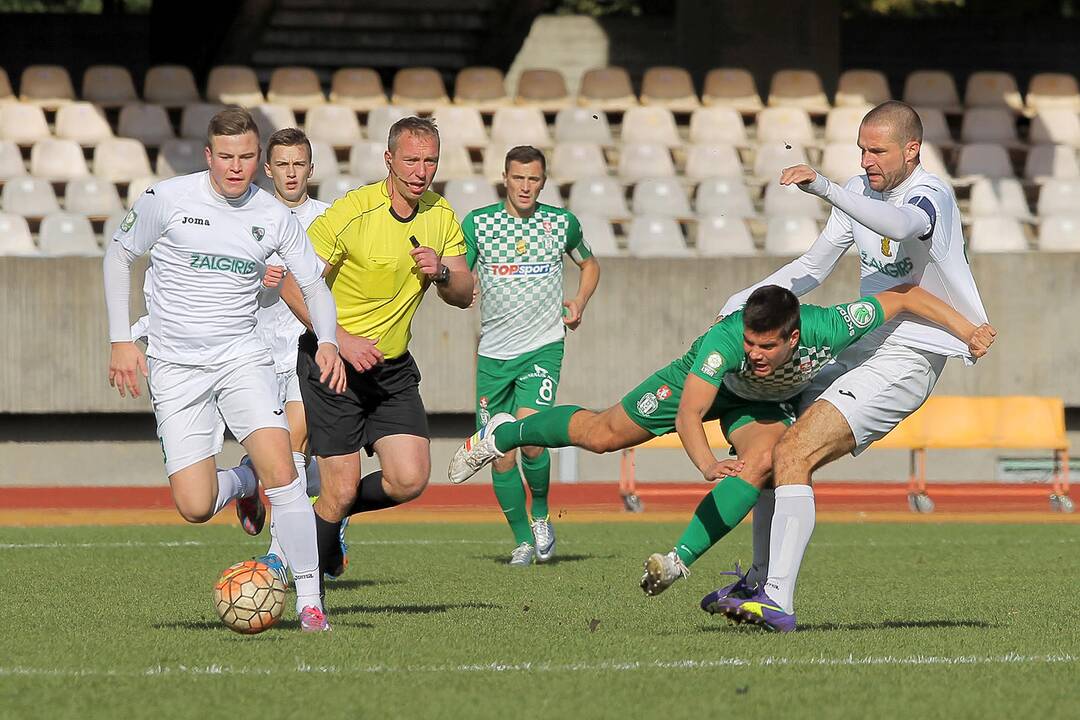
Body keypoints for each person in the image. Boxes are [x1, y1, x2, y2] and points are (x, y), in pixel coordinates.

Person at [448, 284, 994, 595]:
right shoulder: (722, 343)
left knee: (763, 463)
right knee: (601, 434)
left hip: (758, 406)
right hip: (698, 387)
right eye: (750, 343)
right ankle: (505, 432)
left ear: (795, 336)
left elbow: (903, 297)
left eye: (766, 346)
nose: (755, 353)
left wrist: (967, 331)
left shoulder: (831, 324)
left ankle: (678, 561)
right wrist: (707, 463)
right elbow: (690, 414)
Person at [711, 101, 992, 632]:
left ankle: (777, 600)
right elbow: (813, 268)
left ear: (912, 150)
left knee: (795, 450)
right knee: (769, 440)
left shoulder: (930, 196)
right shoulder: (858, 191)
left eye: (877, 150)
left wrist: (825, 189)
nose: (866, 161)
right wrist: (746, 299)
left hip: (910, 356)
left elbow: (900, 222)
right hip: (862, 342)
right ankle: (758, 579)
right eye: (861, 149)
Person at [104, 107, 343, 632]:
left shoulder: (274, 216)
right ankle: (244, 479)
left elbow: (314, 285)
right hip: (174, 365)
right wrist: (123, 339)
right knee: (194, 504)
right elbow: (118, 256)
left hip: (242, 358)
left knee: (287, 474)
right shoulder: (167, 199)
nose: (236, 168)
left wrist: (326, 341)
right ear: (209, 156)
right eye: (226, 157)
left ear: (259, 161)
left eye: (246, 157)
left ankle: (309, 601)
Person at [276, 116, 473, 583]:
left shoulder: (440, 216)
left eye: (430, 161)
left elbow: (465, 292)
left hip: (392, 369)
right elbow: (290, 282)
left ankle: (319, 520)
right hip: (333, 363)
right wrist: (338, 340)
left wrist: (443, 271)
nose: (421, 171)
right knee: (339, 489)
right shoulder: (352, 212)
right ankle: (308, 589)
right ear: (389, 160)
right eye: (411, 160)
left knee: (409, 479)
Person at [462, 145, 600, 566]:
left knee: (531, 442)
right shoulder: (479, 224)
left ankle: (541, 516)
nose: (525, 186)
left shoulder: (561, 223)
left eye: (533, 179)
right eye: (518, 178)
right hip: (492, 355)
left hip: (542, 346)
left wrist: (579, 301)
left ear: (543, 181)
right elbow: (462, 278)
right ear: (505, 177)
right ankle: (522, 539)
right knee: (498, 454)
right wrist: (460, 288)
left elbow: (590, 265)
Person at [249, 127, 342, 582]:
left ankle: (279, 553)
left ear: (311, 168)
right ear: (268, 169)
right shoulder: (249, 217)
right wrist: (255, 279)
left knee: (295, 449)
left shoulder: (330, 220)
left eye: (298, 164)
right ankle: (254, 483)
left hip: (307, 351)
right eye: (281, 164)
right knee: (280, 455)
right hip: (256, 352)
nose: (290, 173)